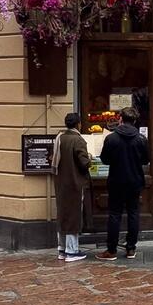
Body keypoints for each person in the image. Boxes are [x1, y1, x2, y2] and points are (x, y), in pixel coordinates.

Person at [98, 106, 149, 260]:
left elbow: (105, 159)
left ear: (120, 119)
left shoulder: (111, 138)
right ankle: (131, 249)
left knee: (114, 214)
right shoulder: (141, 139)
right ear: (134, 121)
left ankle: (111, 250)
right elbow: (146, 160)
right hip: (135, 181)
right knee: (133, 213)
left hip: (116, 180)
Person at [53, 112, 91, 263]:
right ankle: (72, 251)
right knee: (73, 217)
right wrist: (90, 158)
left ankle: (62, 249)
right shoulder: (78, 140)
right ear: (78, 124)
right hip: (75, 183)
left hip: (61, 182)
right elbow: (84, 163)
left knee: (63, 215)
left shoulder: (59, 138)